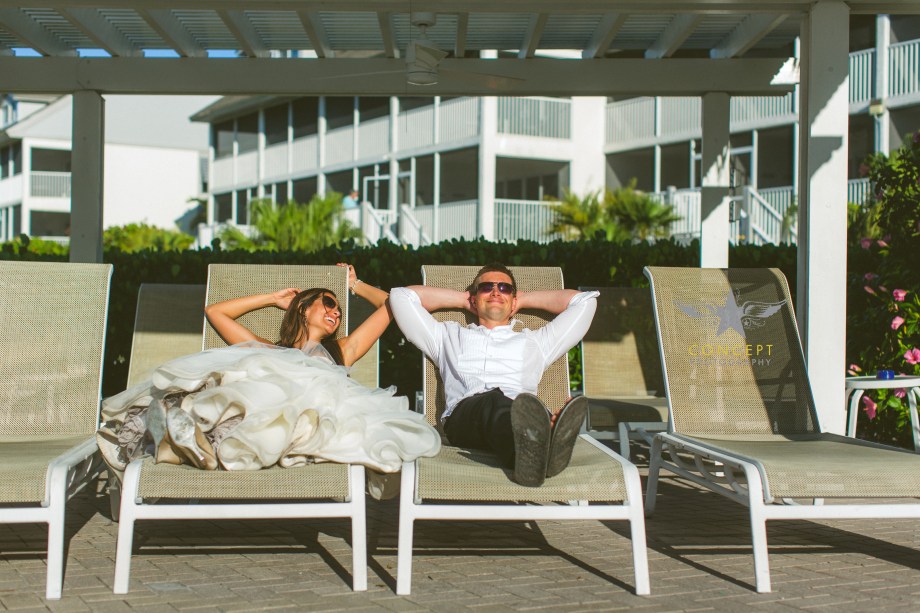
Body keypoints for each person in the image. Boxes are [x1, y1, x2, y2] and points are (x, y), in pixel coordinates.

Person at [97, 264, 440, 497]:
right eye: (329, 304)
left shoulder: (341, 350)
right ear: (303, 308)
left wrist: (355, 285)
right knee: (228, 378)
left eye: (339, 311)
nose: (336, 313)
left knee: (265, 398)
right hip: (258, 405)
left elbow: (394, 305)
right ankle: (175, 436)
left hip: (308, 412)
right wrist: (274, 300)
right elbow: (216, 312)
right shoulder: (267, 349)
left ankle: (186, 442)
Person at [389, 263, 598, 487]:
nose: (496, 292)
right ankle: (540, 447)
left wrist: (524, 299)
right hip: (467, 417)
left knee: (518, 406)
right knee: (495, 400)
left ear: (513, 301)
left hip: (523, 412)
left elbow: (585, 302)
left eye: (505, 289)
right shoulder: (445, 336)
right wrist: (462, 299)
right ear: (474, 298)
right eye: (486, 287)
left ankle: (537, 451)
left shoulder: (536, 342)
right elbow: (401, 297)